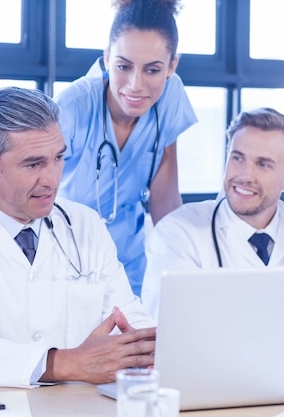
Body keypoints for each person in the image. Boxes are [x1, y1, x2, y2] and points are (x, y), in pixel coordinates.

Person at [0, 86, 156, 388]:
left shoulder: (84, 224)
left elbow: (128, 317)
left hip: (71, 407)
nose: (51, 179)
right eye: (33, 164)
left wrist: (148, 347)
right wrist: (63, 363)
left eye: (59, 158)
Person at [55, 0, 197, 297]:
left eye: (153, 70)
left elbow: (166, 202)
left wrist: (188, 274)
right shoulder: (73, 107)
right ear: (106, 59)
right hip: (63, 263)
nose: (135, 85)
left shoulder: (170, 98)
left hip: (129, 266)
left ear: (172, 66)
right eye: (123, 66)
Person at [141, 107, 284, 320]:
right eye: (237, 158)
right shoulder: (178, 233)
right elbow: (171, 335)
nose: (245, 175)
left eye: (263, 164)